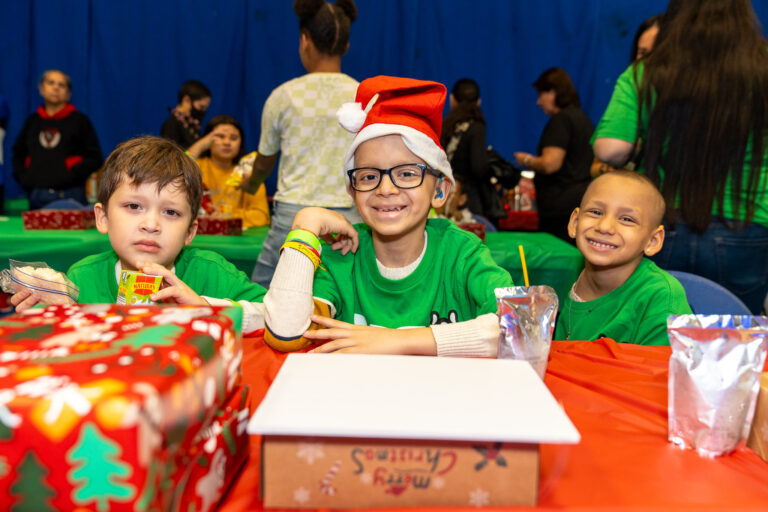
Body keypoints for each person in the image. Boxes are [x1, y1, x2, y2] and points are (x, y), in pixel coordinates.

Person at [263, 75, 514, 356]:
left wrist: (395, 340)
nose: (385, 188)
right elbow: (285, 334)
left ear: (440, 191)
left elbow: (516, 325)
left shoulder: (462, 254)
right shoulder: (342, 259)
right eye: (369, 176)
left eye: (407, 173)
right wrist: (305, 224)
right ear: (353, 191)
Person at [592, 0, 768, 314]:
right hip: (748, 227)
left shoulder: (648, 71)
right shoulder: (763, 68)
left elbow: (610, 149)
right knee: (736, 342)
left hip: (667, 226)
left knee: (658, 340)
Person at [10, 136, 267, 333]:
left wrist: (206, 308)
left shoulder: (210, 272)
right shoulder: (81, 279)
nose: (151, 224)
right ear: (103, 218)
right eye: (134, 206)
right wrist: (54, 318)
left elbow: (276, 316)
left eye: (171, 212)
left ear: (190, 232)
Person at [241, 0, 362, 288]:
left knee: (263, 297)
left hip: (293, 220)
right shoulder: (362, 95)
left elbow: (265, 160)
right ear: (346, 46)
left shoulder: (283, 96)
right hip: (350, 219)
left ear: (305, 40)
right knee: (345, 296)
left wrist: (251, 183)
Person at [555, 171, 691, 346]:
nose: (604, 227)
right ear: (574, 222)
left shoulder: (660, 298)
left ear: (652, 241)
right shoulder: (567, 275)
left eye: (627, 219)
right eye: (596, 212)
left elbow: (660, 370)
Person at [513, 68, 594, 243]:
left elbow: (550, 164)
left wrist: (526, 160)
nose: (538, 102)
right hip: (579, 201)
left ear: (554, 92)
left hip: (559, 211)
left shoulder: (561, 120)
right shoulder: (583, 119)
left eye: (541, 94)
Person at [12, 70, 103, 209]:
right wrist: (26, 178)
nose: (56, 87)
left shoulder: (80, 121)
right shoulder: (32, 122)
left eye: (62, 85)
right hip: (37, 196)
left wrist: (70, 174)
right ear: (41, 89)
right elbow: (18, 154)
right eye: (51, 83)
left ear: (69, 93)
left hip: (72, 196)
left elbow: (95, 158)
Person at [591, 13, 663, 179]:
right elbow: (597, 164)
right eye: (643, 53)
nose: (648, 64)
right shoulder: (626, 100)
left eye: (657, 54)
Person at [186, 115, 270, 228]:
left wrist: (225, 215)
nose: (227, 142)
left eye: (233, 138)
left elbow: (261, 216)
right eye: (220, 136)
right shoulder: (195, 167)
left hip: (237, 241)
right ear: (207, 140)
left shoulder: (247, 171)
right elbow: (175, 171)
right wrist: (200, 146)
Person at [440, 78, 498, 222]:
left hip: (442, 197)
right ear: (478, 102)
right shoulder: (476, 127)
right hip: (467, 201)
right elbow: (478, 167)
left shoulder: (445, 126)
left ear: (452, 99)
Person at [160, 80, 211, 149]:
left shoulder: (191, 125)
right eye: (201, 107)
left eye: (205, 108)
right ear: (186, 99)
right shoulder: (172, 124)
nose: (203, 111)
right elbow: (171, 156)